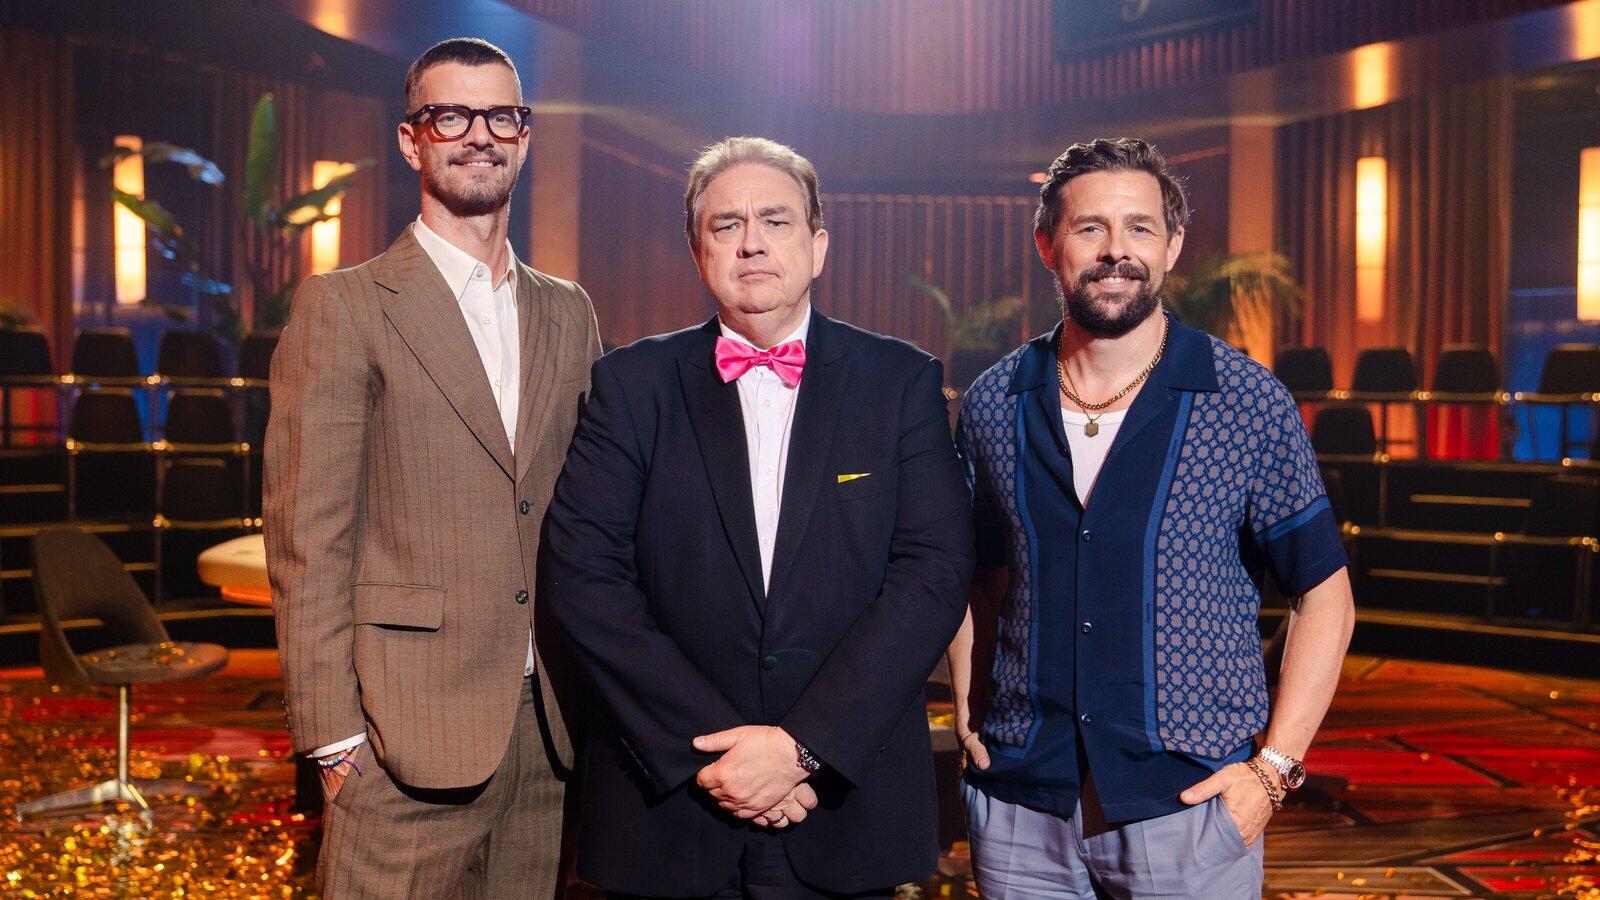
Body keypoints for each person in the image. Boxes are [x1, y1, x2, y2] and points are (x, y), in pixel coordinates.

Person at [542, 136, 975, 898]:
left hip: (845, 806)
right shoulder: (630, 385)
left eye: (776, 221)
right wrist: (718, 756)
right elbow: (583, 577)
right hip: (670, 809)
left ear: (818, 246)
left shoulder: (901, 382)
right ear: (698, 251)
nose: (751, 243)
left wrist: (803, 748)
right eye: (726, 224)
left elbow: (933, 576)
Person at [947, 137, 1356, 899]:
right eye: (1090, 227)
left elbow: (1324, 594)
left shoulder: (1245, 402)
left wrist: (1274, 769)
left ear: (1171, 246)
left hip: (1191, 806)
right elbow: (978, 576)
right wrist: (970, 713)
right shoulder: (995, 403)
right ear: (1047, 245)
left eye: (1139, 227)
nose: (1116, 250)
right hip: (1021, 801)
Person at [265, 37, 599, 897]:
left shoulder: (569, 312)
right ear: (412, 141)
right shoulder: (344, 306)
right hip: (399, 736)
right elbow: (308, 539)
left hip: (549, 732)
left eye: (501, 116)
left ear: (525, 136)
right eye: (452, 116)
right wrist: (332, 740)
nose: (479, 135)